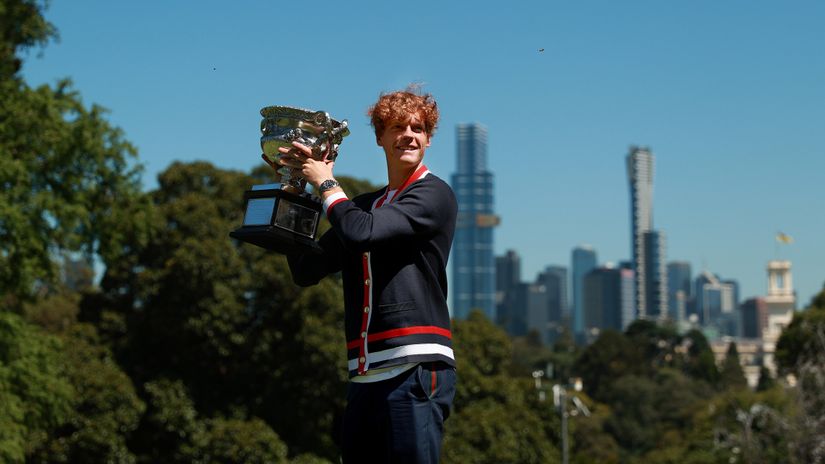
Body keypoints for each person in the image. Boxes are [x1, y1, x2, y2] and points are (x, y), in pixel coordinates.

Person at [279, 88, 457, 463]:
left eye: (418, 128)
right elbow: (307, 270)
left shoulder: (434, 194)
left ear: (427, 138)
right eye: (397, 126)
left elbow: (362, 232)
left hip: (415, 366)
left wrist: (325, 181)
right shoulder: (363, 207)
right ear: (380, 137)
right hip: (364, 377)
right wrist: (293, 189)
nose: (408, 134)